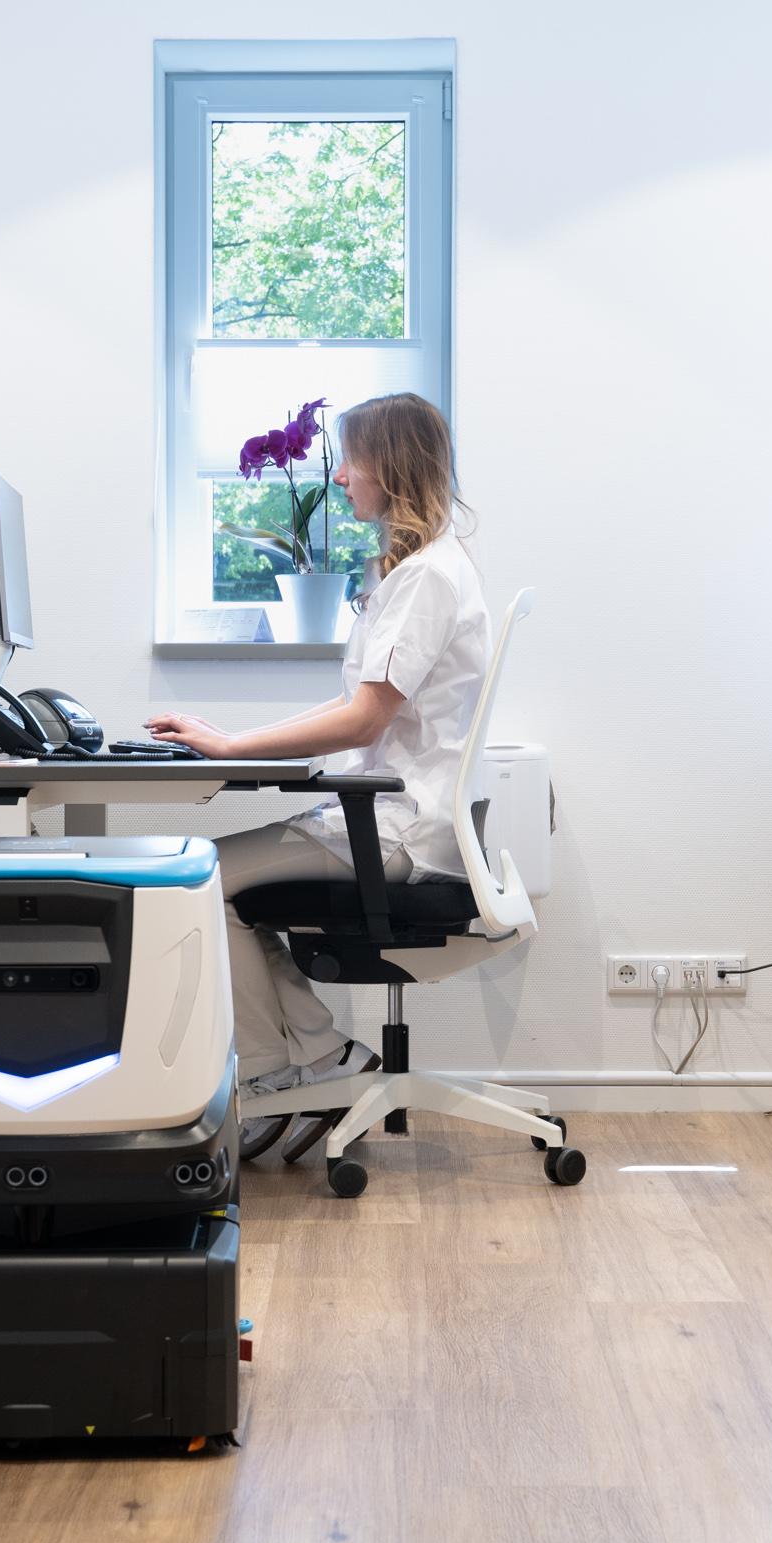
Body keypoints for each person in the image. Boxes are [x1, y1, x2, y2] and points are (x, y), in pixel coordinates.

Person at [143, 392, 489, 1157]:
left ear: (391, 468)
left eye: (355, 461)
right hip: (388, 815)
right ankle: (322, 1059)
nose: (342, 480)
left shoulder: (429, 577)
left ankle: (276, 1072)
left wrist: (233, 746)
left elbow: (364, 719)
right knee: (224, 884)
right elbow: (358, 708)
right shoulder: (415, 572)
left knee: (196, 880)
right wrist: (235, 740)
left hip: (399, 829)